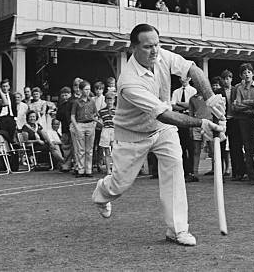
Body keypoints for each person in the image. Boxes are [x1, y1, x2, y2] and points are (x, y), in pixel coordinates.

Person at [91, 23, 225, 247]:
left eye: (156, 44)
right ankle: (102, 193)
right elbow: (164, 114)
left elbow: (193, 69)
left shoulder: (161, 54)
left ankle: (177, 230)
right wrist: (201, 123)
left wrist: (210, 98)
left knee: (174, 169)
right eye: (147, 47)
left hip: (162, 131)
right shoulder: (128, 82)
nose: (154, 51)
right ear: (134, 47)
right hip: (133, 134)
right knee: (120, 184)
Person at [233, 63, 254, 184]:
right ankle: (251, 176)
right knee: (247, 147)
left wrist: (245, 103)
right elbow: (236, 106)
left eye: (249, 72)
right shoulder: (239, 88)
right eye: (244, 72)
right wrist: (251, 105)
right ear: (241, 75)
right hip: (244, 120)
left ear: (253, 74)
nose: (247, 74)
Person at [171, 76, 198, 181]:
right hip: (179, 119)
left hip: (190, 119)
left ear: (190, 78)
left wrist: (180, 104)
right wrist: (185, 105)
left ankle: (192, 171)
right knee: (181, 146)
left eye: (186, 77)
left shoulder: (193, 91)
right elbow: (173, 105)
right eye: (181, 77)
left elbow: (192, 105)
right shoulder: (176, 92)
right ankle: (184, 171)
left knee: (191, 147)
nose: (184, 79)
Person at [71, 80, 97, 178]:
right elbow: (72, 116)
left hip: (90, 125)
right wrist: (76, 126)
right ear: (81, 90)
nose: (87, 91)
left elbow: (95, 113)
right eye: (85, 89)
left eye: (89, 89)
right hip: (80, 125)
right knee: (80, 149)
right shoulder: (76, 102)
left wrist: (94, 123)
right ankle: (81, 170)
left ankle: (88, 170)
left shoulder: (92, 101)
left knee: (89, 150)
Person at [221, 70, 243, 179]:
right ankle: (221, 172)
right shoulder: (219, 92)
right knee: (221, 146)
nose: (226, 80)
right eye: (224, 78)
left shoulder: (236, 89)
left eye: (228, 78)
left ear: (231, 79)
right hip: (223, 120)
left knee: (235, 147)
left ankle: (237, 172)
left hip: (234, 120)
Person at [55, 86, 74, 172]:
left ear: (70, 94)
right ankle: (67, 164)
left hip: (73, 128)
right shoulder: (61, 105)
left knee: (75, 147)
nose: (64, 97)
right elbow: (58, 117)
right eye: (62, 95)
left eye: (66, 95)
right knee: (66, 147)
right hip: (65, 128)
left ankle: (76, 164)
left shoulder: (73, 103)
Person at [97, 92, 116, 175]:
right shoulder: (101, 111)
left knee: (115, 150)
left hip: (114, 130)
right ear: (105, 100)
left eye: (111, 99)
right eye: (108, 99)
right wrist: (100, 123)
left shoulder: (117, 110)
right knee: (107, 151)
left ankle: (115, 169)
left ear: (114, 100)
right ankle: (108, 170)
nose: (109, 101)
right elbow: (95, 117)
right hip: (105, 130)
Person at [0, 78, 17, 145]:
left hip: (11, 118)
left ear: (9, 87)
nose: (5, 88)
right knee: (3, 134)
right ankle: (9, 146)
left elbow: (14, 107)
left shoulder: (12, 96)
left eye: (6, 86)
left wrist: (15, 118)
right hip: (1, 118)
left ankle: (11, 148)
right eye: (3, 86)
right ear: (1, 87)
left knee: (11, 135)